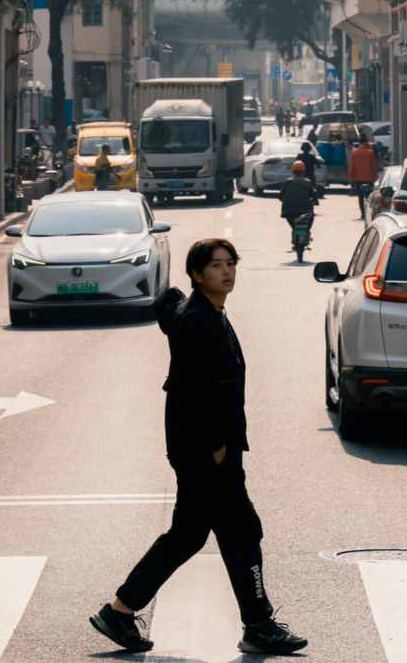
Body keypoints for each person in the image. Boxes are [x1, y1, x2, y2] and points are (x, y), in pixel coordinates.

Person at [91, 238, 307, 657]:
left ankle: (122, 610)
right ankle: (257, 625)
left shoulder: (206, 313)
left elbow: (171, 308)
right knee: (237, 531)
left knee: (199, 534)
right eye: (216, 266)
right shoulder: (198, 323)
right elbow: (194, 392)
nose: (227, 272)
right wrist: (216, 445)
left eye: (231, 263)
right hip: (207, 451)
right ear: (196, 274)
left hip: (208, 449)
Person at [279, 162, 317, 248]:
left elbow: (280, 196)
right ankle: (306, 234)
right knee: (309, 222)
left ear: (293, 171)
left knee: (294, 226)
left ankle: (296, 237)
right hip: (306, 211)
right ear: (303, 171)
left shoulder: (287, 182)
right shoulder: (307, 182)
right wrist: (315, 201)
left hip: (289, 212)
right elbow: (314, 195)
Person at [347, 135, 380, 220]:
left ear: (359, 143)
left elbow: (351, 167)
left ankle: (362, 214)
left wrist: (351, 179)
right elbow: (374, 166)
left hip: (358, 180)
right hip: (369, 179)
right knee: (369, 197)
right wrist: (376, 177)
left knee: (360, 197)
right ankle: (369, 213)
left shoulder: (355, 153)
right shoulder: (370, 152)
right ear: (366, 142)